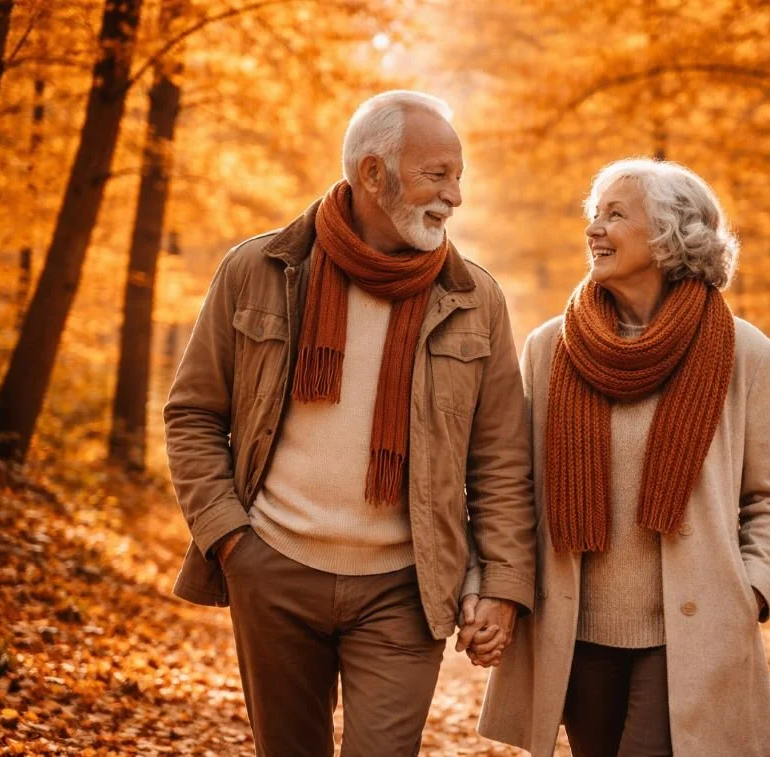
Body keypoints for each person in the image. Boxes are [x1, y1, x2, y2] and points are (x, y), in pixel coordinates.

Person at [163, 90, 536, 757]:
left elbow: (502, 459)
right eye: (438, 174)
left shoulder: (475, 299)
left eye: (460, 176)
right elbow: (193, 415)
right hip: (271, 567)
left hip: (404, 586)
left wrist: (502, 583)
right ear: (372, 173)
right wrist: (231, 543)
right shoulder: (258, 271)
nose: (455, 195)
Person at [474, 158, 770, 756]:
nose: (594, 229)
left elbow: (769, 498)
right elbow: (516, 487)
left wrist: (749, 591)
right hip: (577, 629)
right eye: (594, 215)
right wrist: (498, 585)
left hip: (692, 629)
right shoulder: (550, 349)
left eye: (615, 215)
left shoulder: (744, 353)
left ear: (672, 235)